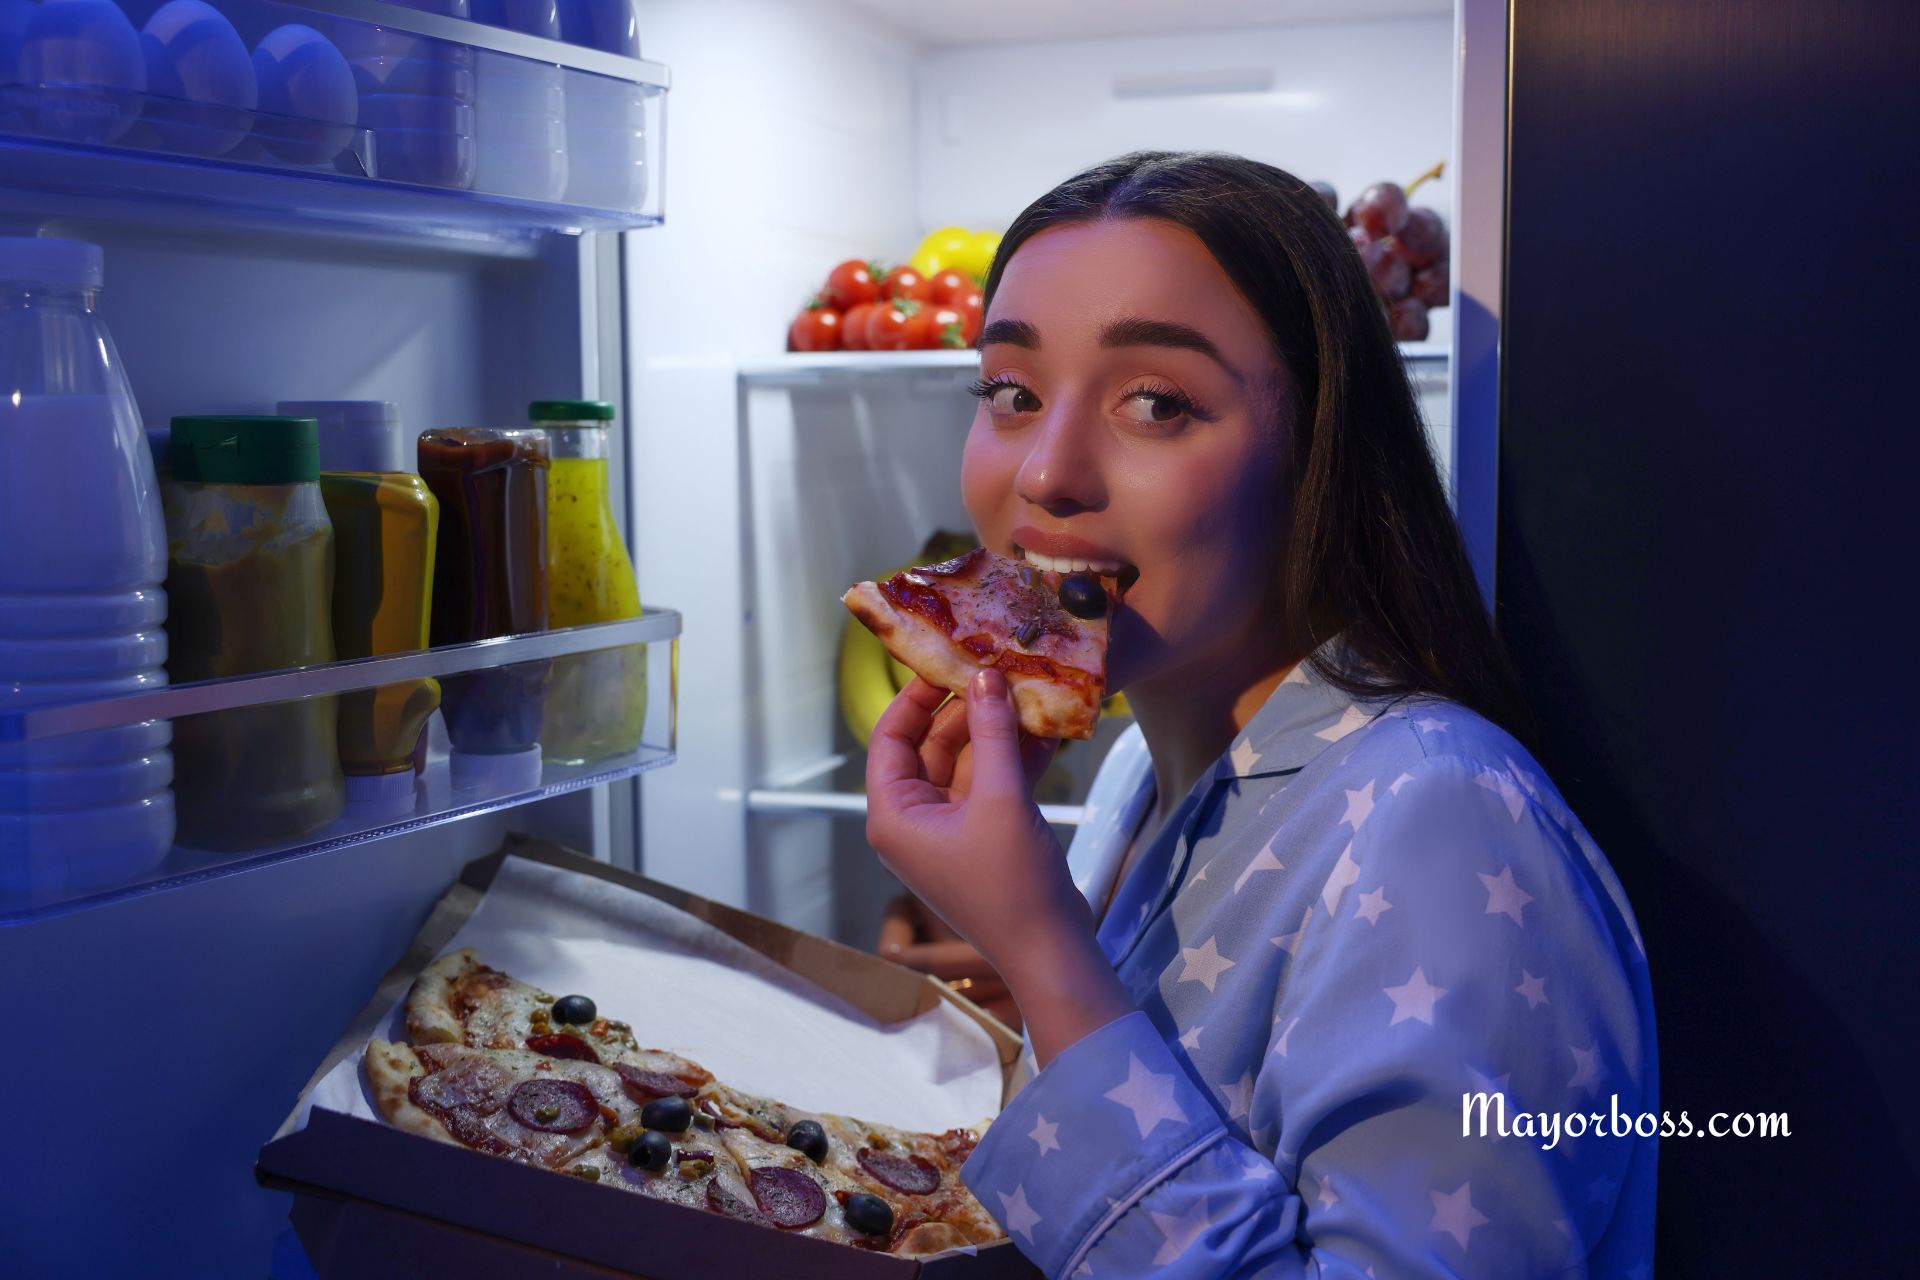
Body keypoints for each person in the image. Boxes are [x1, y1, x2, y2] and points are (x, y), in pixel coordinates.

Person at [864, 152, 1657, 1278]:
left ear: (1317, 454)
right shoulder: (1137, 769)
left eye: (1156, 402)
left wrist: (1041, 947)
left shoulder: (1447, 818)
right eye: (1011, 391)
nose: (1044, 472)